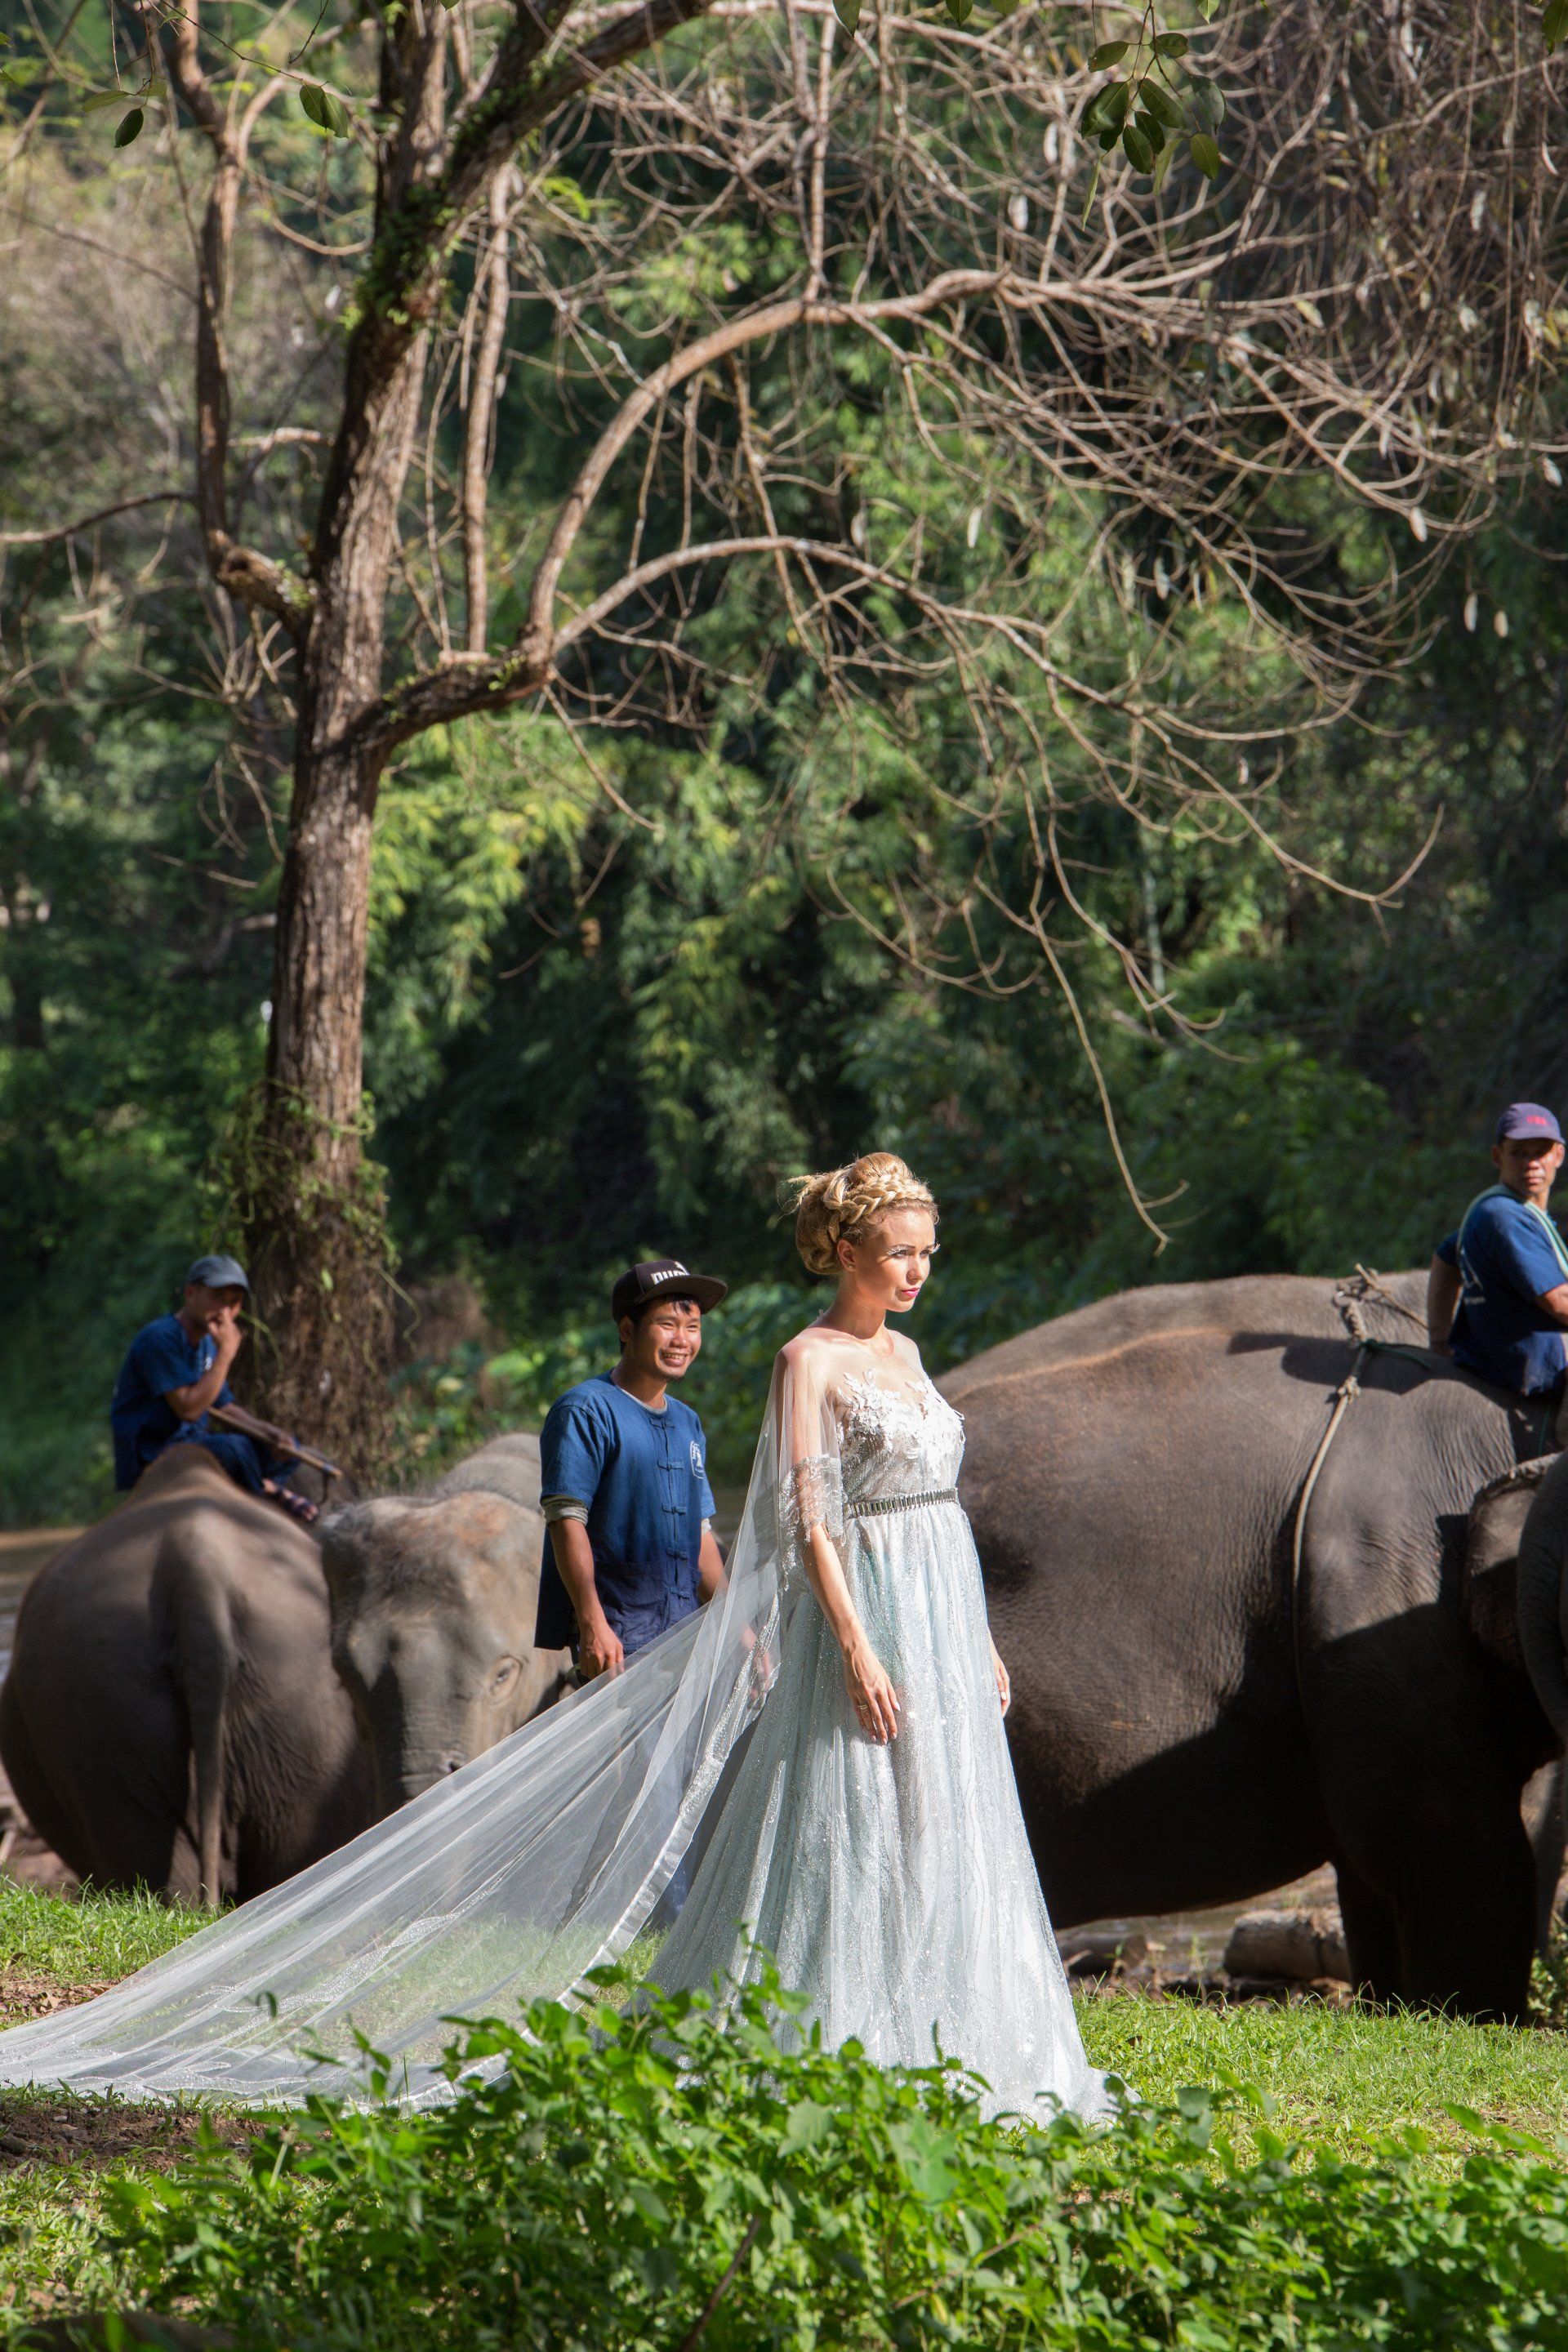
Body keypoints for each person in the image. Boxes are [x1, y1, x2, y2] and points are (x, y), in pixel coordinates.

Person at [0, 1159, 1107, 2123]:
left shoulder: (876, 1365)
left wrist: (970, 1634)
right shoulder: (765, 1371)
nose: (918, 1269)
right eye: (902, 1250)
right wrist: (653, 1625)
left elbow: (847, 1516)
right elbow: (779, 1519)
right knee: (824, 1809)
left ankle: (948, 2008)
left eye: (928, 1251)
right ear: (848, 1249)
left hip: (925, 1607)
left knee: (943, 1815)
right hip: (793, 1612)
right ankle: (824, 2008)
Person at [535, 1258, 730, 1678]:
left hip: (684, 1634)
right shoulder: (585, 1410)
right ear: (627, 1329)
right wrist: (592, 1623)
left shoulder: (687, 1422)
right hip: (618, 1640)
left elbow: (699, 1532)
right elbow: (566, 1520)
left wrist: (738, 1629)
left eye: (692, 1327)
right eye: (667, 1324)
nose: (682, 1340)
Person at [109, 1255, 317, 1523]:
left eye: (234, 1302)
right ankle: (266, 1492)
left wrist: (267, 1431)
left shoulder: (207, 1343)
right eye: (217, 1297)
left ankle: (263, 1485)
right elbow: (189, 1410)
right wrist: (227, 1353)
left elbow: (223, 1405)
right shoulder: (161, 1339)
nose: (224, 1311)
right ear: (191, 1293)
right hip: (154, 1451)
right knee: (234, 1449)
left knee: (288, 1450)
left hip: (192, 1441)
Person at [1428, 1103, 1568, 1421]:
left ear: (1558, 1155)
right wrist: (1438, 1341)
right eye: (1519, 1153)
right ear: (1497, 1156)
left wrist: (1439, 1340)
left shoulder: (1496, 1209)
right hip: (1531, 1364)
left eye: (1541, 1152)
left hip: (1491, 1357)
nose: (1532, 1163)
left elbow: (1444, 1259)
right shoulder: (1505, 1218)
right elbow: (1559, 1302)